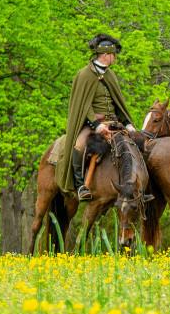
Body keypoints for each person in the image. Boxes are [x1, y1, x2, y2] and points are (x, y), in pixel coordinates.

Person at [56, 34, 137, 201]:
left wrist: (128, 123)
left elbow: (117, 103)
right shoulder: (84, 74)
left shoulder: (110, 75)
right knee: (79, 145)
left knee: (136, 144)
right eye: (113, 55)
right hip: (93, 123)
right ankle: (80, 186)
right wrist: (96, 124)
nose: (114, 58)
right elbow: (83, 105)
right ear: (106, 55)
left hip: (114, 122)